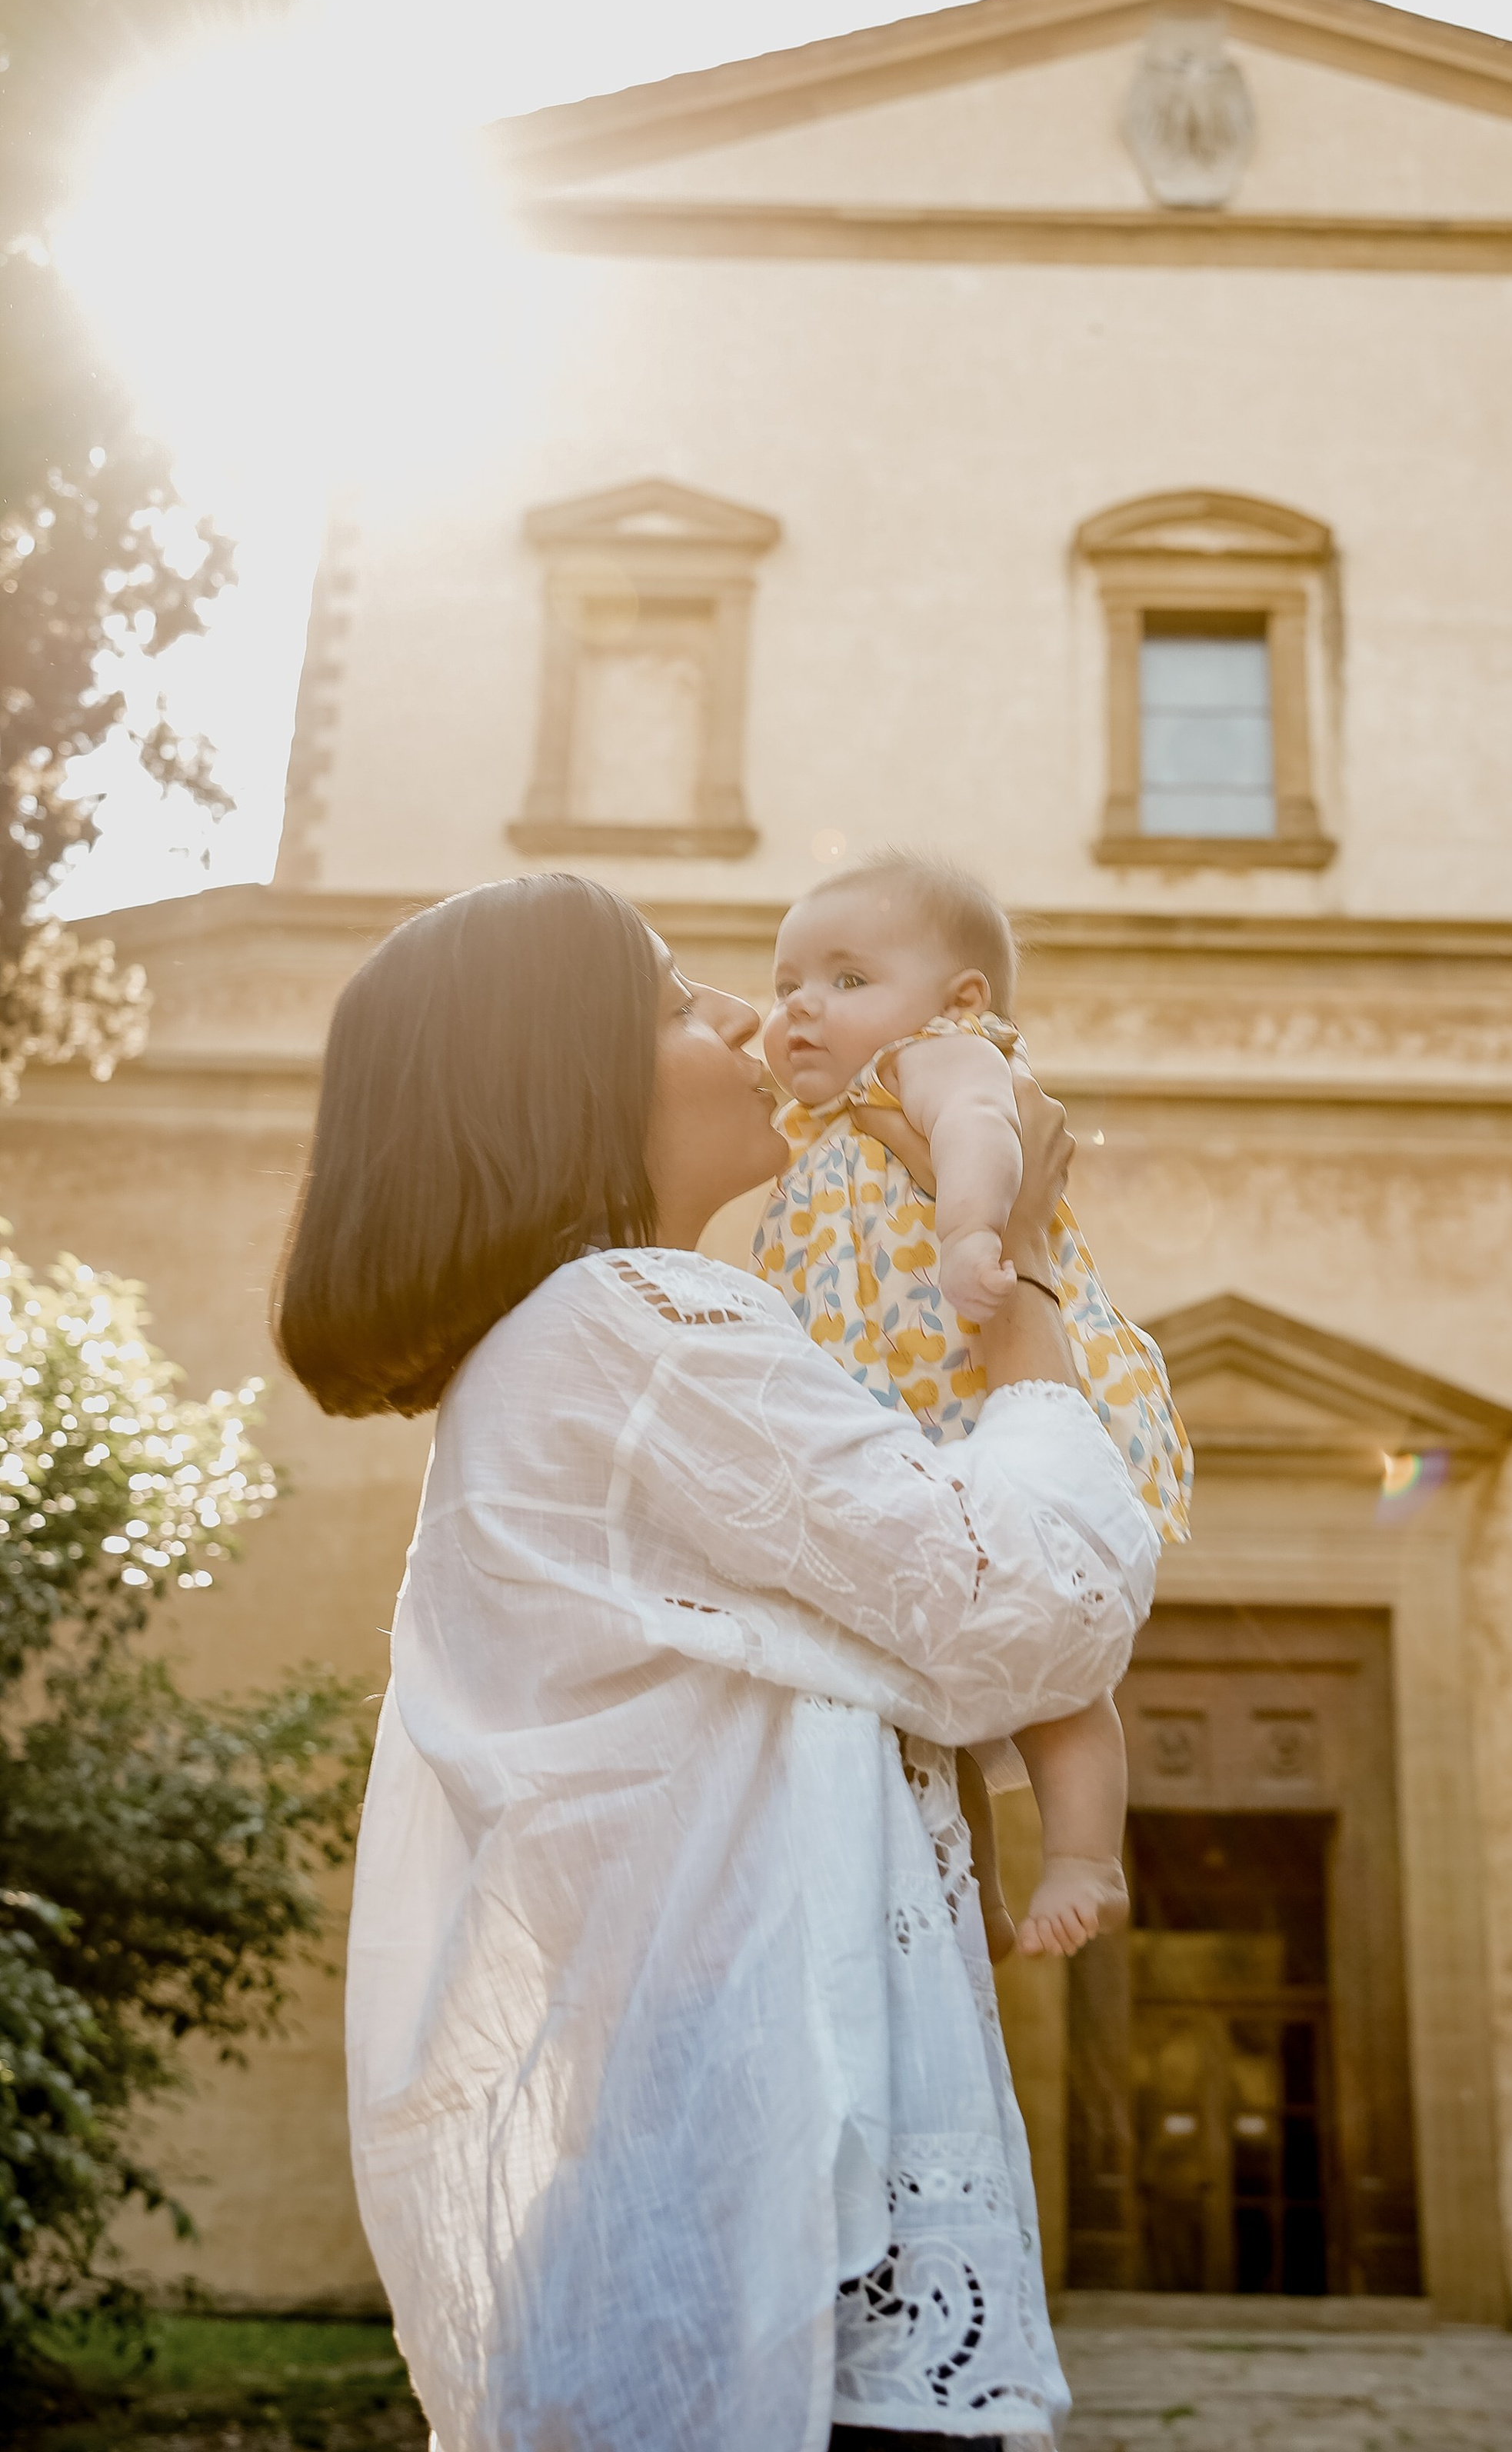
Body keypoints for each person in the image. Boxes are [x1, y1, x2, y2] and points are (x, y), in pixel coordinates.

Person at [275, 871, 1156, 2452]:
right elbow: (1032, 1610)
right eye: (685, 1002)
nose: (751, 1020)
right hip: (772, 2233)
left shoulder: (562, 1354)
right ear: (560, 1086)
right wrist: (1019, 1270)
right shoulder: (632, 1324)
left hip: (690, 2194)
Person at [756, 855, 1191, 1964]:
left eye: (848, 977)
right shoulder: (822, 1128)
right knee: (935, 1702)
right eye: (787, 981)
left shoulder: (935, 1062)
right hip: (905, 1408)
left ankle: (1087, 1855)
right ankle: (979, 1899)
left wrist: (967, 1236)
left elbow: (983, 1138)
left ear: (961, 1001)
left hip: (970, 1372)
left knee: (1056, 1673)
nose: (802, 1005)